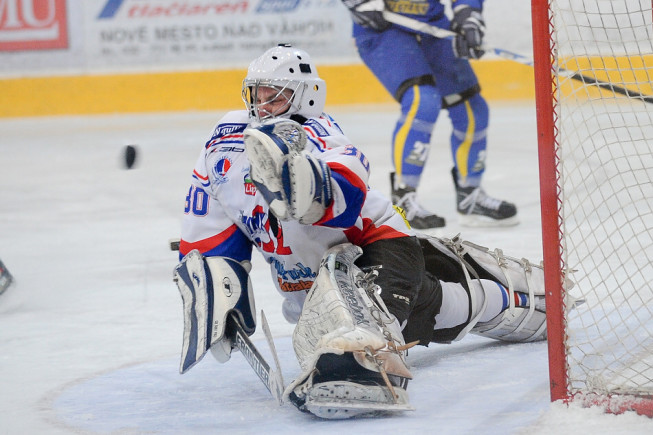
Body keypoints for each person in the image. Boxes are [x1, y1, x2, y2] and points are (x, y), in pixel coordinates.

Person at [173, 45, 547, 419]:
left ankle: (509, 305)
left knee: (369, 321)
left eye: (278, 95)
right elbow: (208, 233)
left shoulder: (317, 132)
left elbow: (346, 187)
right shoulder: (223, 146)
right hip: (314, 290)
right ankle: (506, 296)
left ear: (306, 97)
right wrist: (218, 287)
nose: (264, 104)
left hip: (379, 248)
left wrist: (297, 179)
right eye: (258, 93)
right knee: (436, 308)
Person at [340, 0, 518, 228]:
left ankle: (470, 196)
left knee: (473, 109)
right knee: (422, 102)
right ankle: (404, 197)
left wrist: (469, 15)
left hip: (432, 26)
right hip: (385, 27)